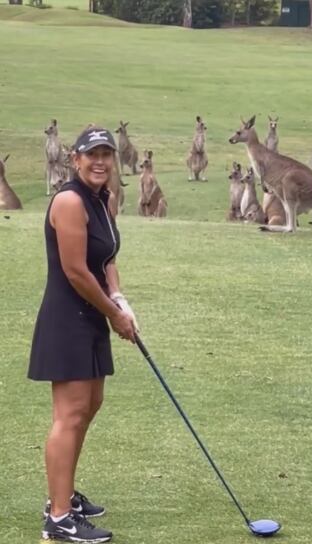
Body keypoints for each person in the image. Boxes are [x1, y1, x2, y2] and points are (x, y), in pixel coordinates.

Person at [28, 126, 138, 543]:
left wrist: (120, 298)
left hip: (91, 315)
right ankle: (58, 518)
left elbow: (105, 257)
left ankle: (64, 494)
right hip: (68, 318)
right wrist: (113, 314)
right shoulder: (70, 201)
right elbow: (76, 270)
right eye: (92, 154)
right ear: (75, 159)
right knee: (69, 415)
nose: (100, 161)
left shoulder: (102, 200)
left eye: (107, 154)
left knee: (90, 404)